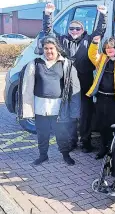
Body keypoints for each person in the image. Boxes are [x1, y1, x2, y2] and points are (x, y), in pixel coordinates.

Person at [42, 2, 107, 153]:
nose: (74, 31)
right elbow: (48, 32)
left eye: (78, 28)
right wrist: (48, 14)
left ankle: (85, 142)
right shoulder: (63, 40)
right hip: (68, 83)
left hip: (85, 83)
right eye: (72, 28)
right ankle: (71, 141)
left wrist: (103, 15)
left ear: (83, 30)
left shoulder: (89, 39)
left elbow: (100, 31)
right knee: (69, 115)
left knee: (85, 115)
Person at [19, 36, 81, 166]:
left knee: (62, 133)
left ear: (57, 48)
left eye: (51, 48)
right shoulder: (35, 63)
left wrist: (75, 111)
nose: (49, 51)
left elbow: (74, 88)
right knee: (42, 134)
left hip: (58, 107)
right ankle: (43, 156)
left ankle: (65, 154)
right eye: (46, 48)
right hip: (40, 106)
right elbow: (27, 86)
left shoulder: (66, 64)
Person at [86, 35, 115, 159]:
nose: (109, 50)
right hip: (102, 97)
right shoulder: (102, 58)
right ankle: (103, 148)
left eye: (111, 47)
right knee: (102, 125)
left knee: (114, 125)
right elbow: (92, 55)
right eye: (107, 48)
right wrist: (94, 43)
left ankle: (113, 150)